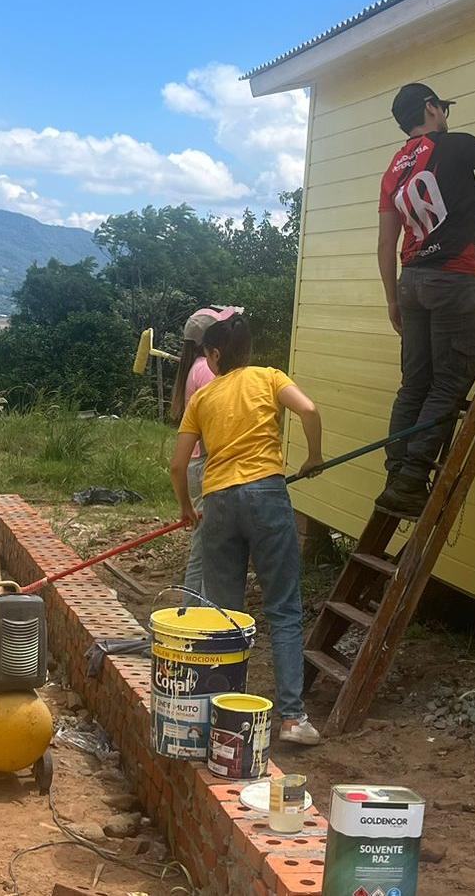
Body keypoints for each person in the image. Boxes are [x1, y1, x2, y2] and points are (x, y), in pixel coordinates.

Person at [373, 82, 475, 519]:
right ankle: (409, 484)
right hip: (451, 279)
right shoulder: (457, 146)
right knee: (446, 384)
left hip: (412, 282)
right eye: (443, 106)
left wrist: (392, 299)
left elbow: (386, 244)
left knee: (414, 384)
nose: (446, 114)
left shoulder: (394, 170)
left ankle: (395, 476)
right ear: (431, 108)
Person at [170, 313, 326, 745]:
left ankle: (225, 719)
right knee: (283, 608)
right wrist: (313, 457)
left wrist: (187, 508)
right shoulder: (269, 377)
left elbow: (179, 464)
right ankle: (293, 719)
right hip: (267, 497)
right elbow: (309, 409)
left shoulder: (203, 399)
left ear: (216, 354)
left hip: (219, 504)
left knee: (226, 616)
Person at [168, 305, 242, 596]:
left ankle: (191, 610)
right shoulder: (207, 372)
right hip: (206, 464)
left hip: (198, 464)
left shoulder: (195, 368)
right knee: (206, 550)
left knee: (204, 547)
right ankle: (192, 614)